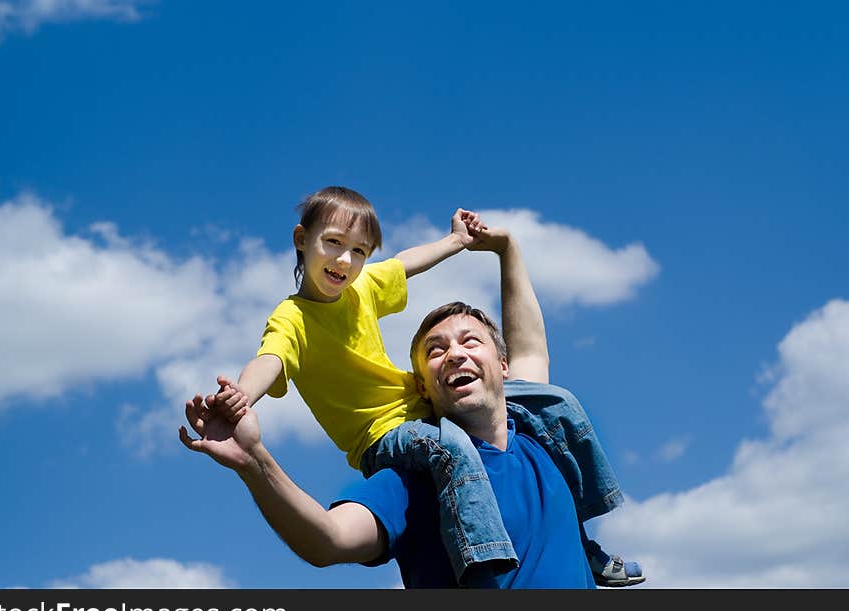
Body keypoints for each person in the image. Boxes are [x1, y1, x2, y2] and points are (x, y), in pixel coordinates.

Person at [184, 219, 644, 587]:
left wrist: (506, 250)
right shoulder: (418, 477)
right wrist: (255, 461)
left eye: (471, 342)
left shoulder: (537, 434)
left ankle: (586, 537)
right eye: (436, 350)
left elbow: (528, 348)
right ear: (421, 386)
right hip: (401, 445)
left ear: (501, 366)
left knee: (554, 400)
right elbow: (328, 541)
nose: (456, 353)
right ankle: (484, 568)